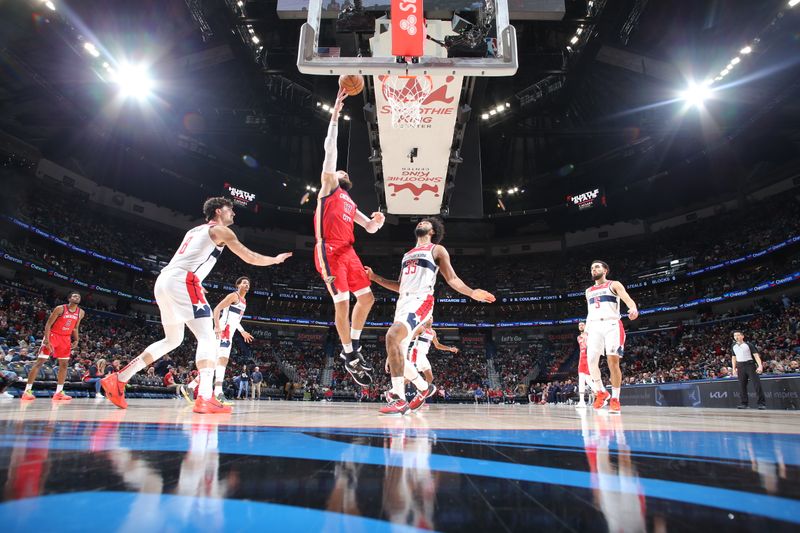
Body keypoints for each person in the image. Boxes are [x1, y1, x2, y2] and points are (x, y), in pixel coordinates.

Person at [101, 197, 291, 414]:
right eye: (231, 210)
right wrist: (275, 260)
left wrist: (195, 282)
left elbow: (189, 259)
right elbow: (249, 257)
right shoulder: (222, 231)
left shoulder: (193, 231)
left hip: (165, 280)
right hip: (184, 281)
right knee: (208, 337)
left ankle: (120, 378)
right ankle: (205, 397)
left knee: (172, 339)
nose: (234, 214)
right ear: (218, 211)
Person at [366, 218, 495, 415]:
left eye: (425, 222)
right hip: (403, 302)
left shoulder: (437, 249)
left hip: (421, 300)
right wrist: (375, 278)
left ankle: (399, 398)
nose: (420, 223)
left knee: (391, 336)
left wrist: (471, 292)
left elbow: (452, 278)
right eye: (419, 222)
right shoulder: (407, 254)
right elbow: (400, 286)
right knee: (397, 356)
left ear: (432, 230)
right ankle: (425, 388)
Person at [315, 88, 386, 388]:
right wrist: (335, 114)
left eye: (343, 170)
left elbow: (368, 228)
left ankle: (352, 346)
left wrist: (377, 222)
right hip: (329, 251)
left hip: (349, 253)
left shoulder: (350, 202)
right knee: (342, 303)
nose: (339, 169)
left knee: (368, 298)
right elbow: (330, 149)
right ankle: (349, 353)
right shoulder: (329, 186)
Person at [584, 260, 638, 414]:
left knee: (612, 362)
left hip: (611, 325)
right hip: (594, 327)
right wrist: (586, 331)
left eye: (597, 267)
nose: (594, 269)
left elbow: (627, 298)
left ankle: (615, 398)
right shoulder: (588, 291)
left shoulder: (614, 284)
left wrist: (633, 308)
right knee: (591, 363)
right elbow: (590, 312)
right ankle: (601, 392)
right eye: (592, 267)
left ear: (605, 270)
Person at [21, 291, 85, 402]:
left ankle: (59, 392)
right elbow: (48, 324)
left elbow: (75, 327)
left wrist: (77, 339)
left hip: (66, 338)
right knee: (40, 362)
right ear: (69, 298)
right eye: (74, 296)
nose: (77, 297)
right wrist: (47, 340)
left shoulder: (81, 312)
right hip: (53, 335)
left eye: (78, 296)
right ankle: (27, 391)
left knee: (64, 365)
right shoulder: (60, 308)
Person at [210, 276, 254, 405]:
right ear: (238, 285)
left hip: (230, 332)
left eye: (248, 283)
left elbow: (235, 320)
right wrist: (217, 326)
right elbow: (217, 309)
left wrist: (242, 331)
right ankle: (218, 392)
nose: (247, 285)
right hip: (223, 330)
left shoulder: (244, 301)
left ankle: (191, 386)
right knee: (222, 360)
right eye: (244, 283)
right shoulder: (233, 296)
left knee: (214, 362)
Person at [407, 318, 458, 388]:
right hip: (416, 353)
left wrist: (449, 348)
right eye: (428, 318)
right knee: (411, 376)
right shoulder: (421, 328)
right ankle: (394, 391)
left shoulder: (433, 332)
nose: (429, 319)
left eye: (431, 318)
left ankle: (420, 396)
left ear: (432, 320)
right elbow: (409, 339)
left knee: (430, 378)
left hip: (423, 356)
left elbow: (437, 345)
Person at [731, 331, 767, 409]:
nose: (736, 337)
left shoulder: (748, 345)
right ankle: (744, 403)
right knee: (742, 385)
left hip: (750, 365)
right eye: (735, 335)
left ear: (742, 336)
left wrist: (760, 366)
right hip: (740, 366)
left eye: (738, 335)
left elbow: (756, 355)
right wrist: (734, 368)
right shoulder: (733, 346)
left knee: (756, 384)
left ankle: (761, 403)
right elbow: (733, 357)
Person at [576, 321, 591, 408]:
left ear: (586, 326)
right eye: (579, 325)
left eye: (582, 325)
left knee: (589, 380)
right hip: (582, 360)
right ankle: (581, 401)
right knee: (581, 380)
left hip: (589, 359)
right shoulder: (578, 337)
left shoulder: (590, 335)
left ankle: (602, 393)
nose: (581, 326)